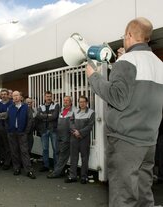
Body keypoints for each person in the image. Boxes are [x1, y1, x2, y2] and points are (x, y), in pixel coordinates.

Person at [86, 17, 163, 206]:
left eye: (123, 35)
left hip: (126, 140)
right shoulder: (159, 64)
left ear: (129, 35)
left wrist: (93, 77)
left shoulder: (128, 61)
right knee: (144, 193)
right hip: (149, 140)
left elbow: (118, 98)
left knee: (123, 196)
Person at [65, 96, 95, 184]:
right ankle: (72, 176)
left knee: (84, 158)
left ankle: (84, 177)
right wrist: (75, 132)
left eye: (83, 102)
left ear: (87, 102)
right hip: (74, 138)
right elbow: (71, 123)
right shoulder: (74, 112)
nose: (82, 104)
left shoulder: (91, 112)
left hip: (84, 138)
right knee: (73, 157)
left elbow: (90, 126)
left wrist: (80, 132)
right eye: (80, 102)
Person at [6, 91, 36, 179]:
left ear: (20, 97)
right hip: (12, 133)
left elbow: (30, 120)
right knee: (14, 151)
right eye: (14, 96)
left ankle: (29, 170)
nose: (15, 97)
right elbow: (7, 119)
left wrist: (26, 131)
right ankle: (16, 168)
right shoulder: (10, 107)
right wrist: (9, 129)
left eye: (17, 95)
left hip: (22, 133)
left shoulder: (26, 107)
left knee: (24, 152)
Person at [48, 96, 75, 179]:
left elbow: (73, 124)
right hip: (59, 135)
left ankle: (56, 173)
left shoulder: (74, 111)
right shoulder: (62, 110)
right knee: (59, 153)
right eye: (64, 100)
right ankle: (61, 171)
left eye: (67, 100)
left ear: (71, 102)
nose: (65, 101)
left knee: (63, 155)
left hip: (66, 137)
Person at [36, 91, 59, 172]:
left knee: (55, 149)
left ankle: (56, 167)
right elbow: (38, 116)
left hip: (53, 130)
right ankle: (46, 165)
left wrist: (44, 115)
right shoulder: (40, 106)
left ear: (51, 97)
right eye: (47, 96)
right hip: (44, 130)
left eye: (50, 96)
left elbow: (54, 116)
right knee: (45, 149)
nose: (48, 98)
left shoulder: (56, 105)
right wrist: (48, 115)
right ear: (44, 97)